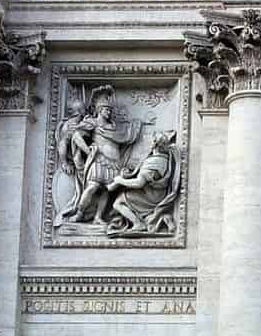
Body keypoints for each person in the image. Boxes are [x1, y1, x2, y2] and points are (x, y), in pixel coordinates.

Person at [59, 86, 144, 225]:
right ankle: (79, 213)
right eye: (106, 109)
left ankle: (98, 217)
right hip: (99, 160)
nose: (109, 112)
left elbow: (126, 136)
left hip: (114, 162)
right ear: (99, 110)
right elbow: (76, 136)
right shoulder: (92, 122)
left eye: (110, 110)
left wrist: (138, 124)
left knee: (106, 191)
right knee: (92, 186)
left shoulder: (114, 127)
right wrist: (88, 151)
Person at [106, 131, 180, 236]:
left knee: (118, 203)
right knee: (124, 194)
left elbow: (139, 183)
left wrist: (120, 181)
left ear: (154, 144)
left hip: (151, 197)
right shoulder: (165, 159)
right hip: (157, 193)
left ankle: (138, 224)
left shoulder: (154, 162)